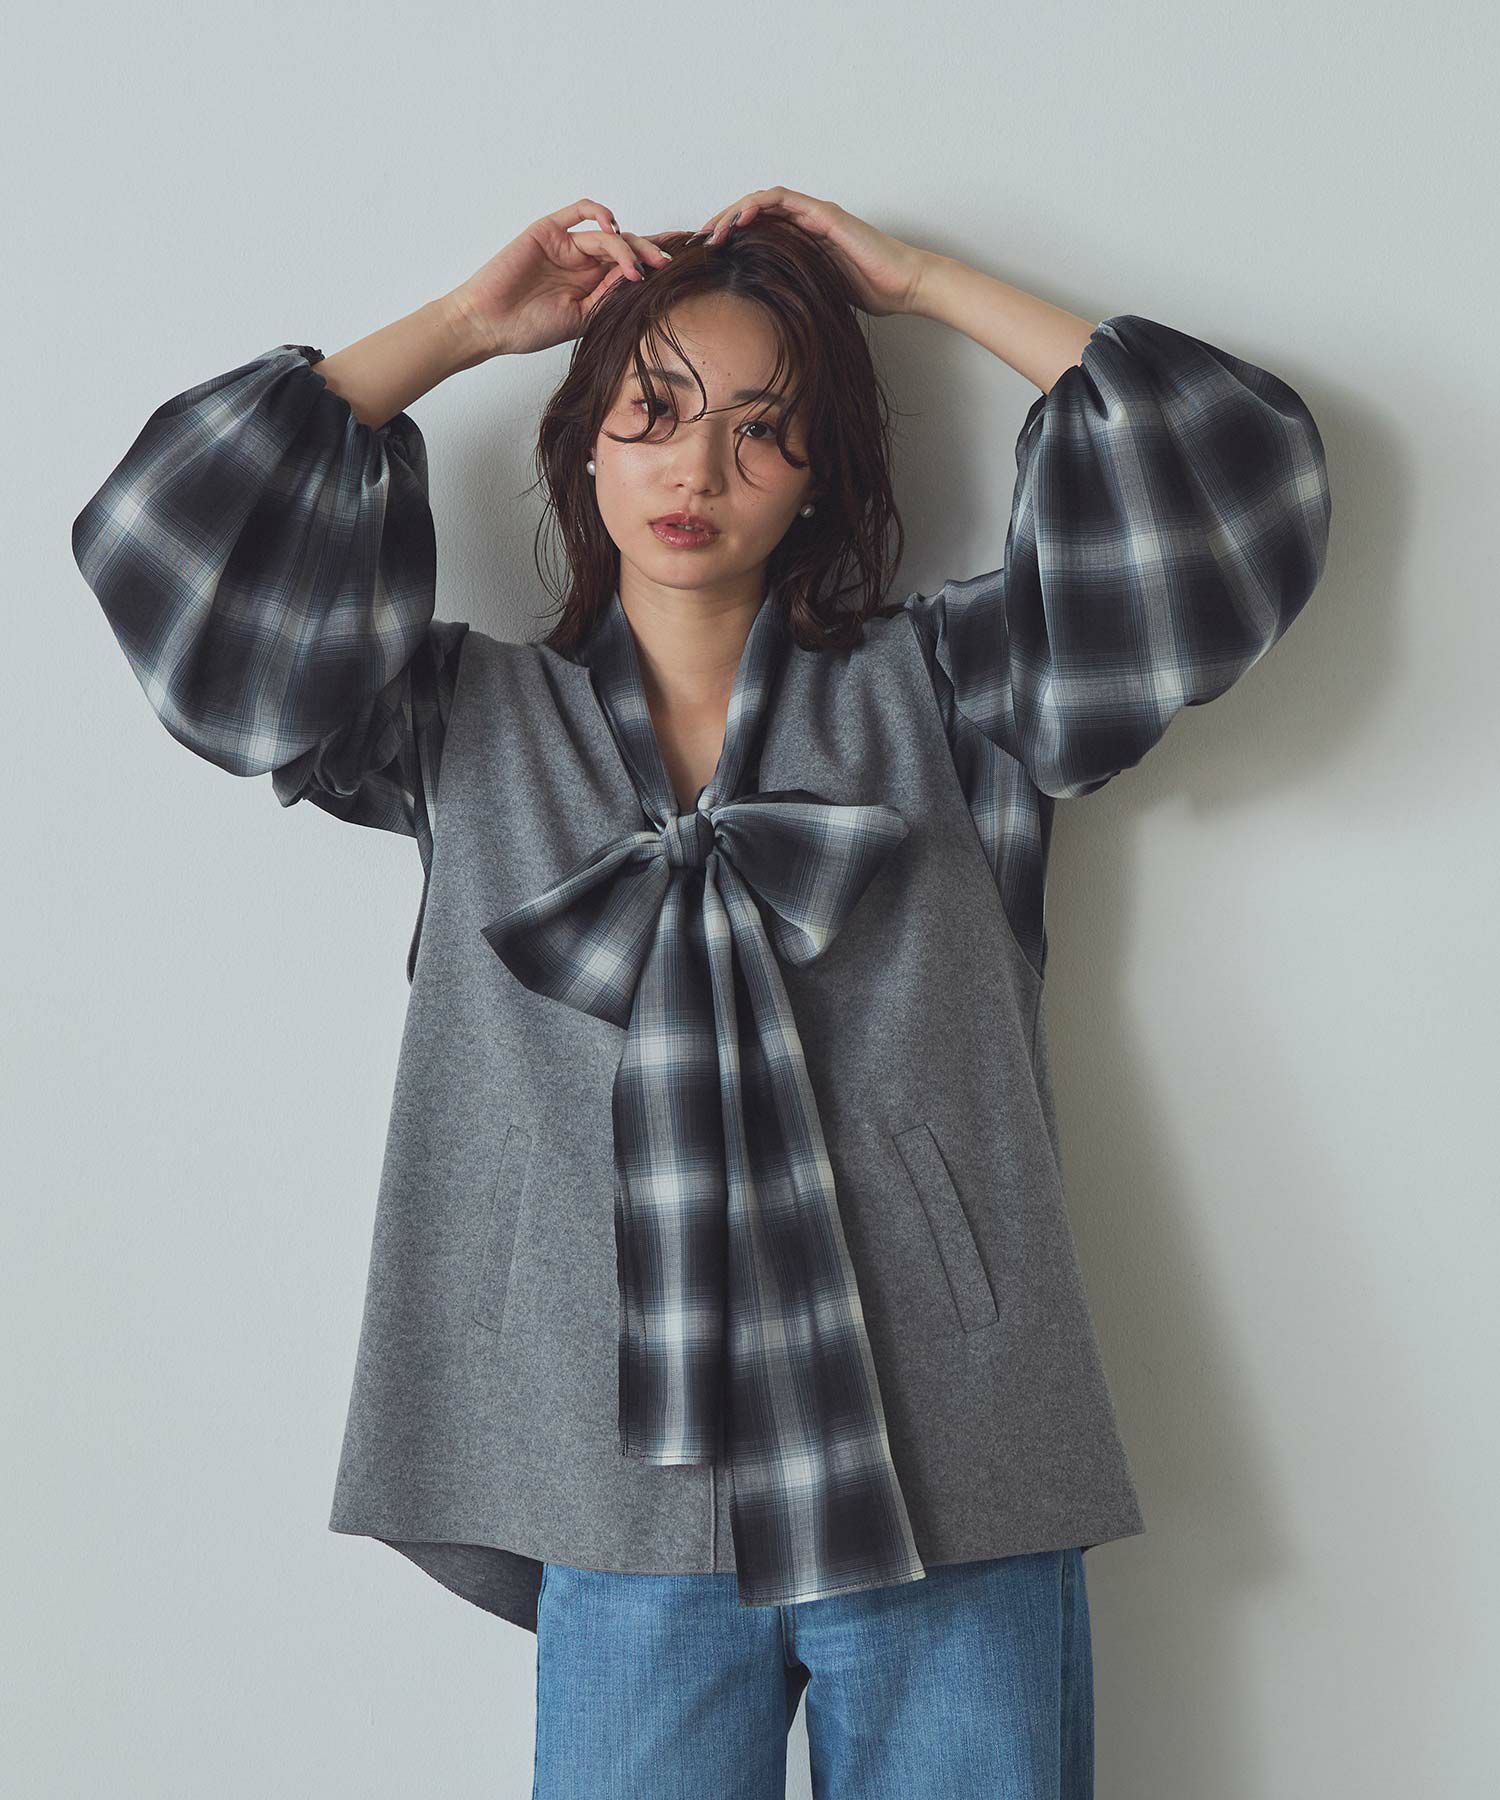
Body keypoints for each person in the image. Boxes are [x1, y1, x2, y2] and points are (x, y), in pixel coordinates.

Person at [71, 187, 1332, 1798]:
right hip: (614, 1481)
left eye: (763, 428)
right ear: (583, 445)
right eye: (652, 413)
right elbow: (170, 551)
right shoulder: (452, 724)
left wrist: (925, 282)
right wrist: (459, 330)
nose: (697, 471)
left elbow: (1233, 486)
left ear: (822, 475)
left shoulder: (958, 699)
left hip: (952, 1465)